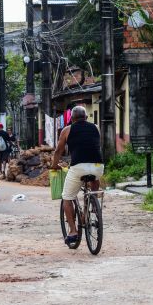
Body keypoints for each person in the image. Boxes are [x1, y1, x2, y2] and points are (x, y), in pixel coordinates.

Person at [50, 106, 103, 248]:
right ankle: (92, 204)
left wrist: (54, 166)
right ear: (86, 117)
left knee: (67, 197)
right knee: (95, 178)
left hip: (78, 167)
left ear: (71, 119)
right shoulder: (96, 127)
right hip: (98, 166)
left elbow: (58, 151)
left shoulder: (67, 130)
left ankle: (73, 231)